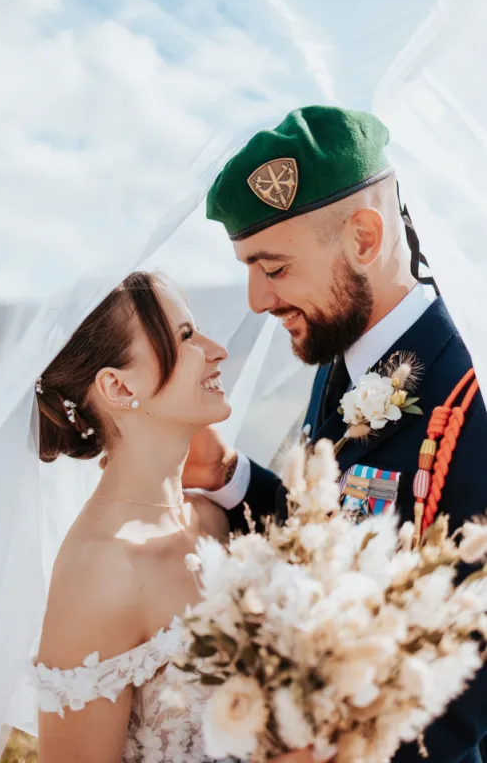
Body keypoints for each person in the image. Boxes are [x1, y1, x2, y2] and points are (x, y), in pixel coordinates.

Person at [183, 105, 487, 763]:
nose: (256, 300)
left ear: (364, 239)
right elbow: (329, 539)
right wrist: (229, 477)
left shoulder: (472, 391)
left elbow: (469, 665)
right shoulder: (339, 359)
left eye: (275, 268)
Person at [30, 270, 313, 763]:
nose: (217, 350)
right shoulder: (98, 571)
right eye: (185, 338)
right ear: (118, 387)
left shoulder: (210, 519)